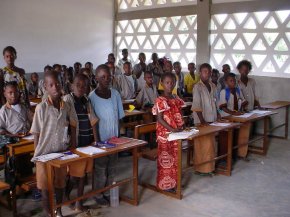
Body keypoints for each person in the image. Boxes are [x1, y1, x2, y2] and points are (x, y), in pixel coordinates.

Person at [30, 70, 77, 217]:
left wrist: (73, 145)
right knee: (45, 190)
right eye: (51, 85)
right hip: (44, 156)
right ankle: (49, 213)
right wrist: (37, 155)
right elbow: (36, 133)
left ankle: (58, 211)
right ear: (45, 87)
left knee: (60, 186)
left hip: (61, 153)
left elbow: (73, 124)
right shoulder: (41, 108)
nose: (55, 87)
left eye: (57, 84)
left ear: (62, 84)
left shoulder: (67, 106)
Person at [89, 64, 125, 207]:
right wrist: (97, 141)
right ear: (96, 78)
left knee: (112, 168)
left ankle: (108, 191)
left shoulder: (115, 94)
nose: (106, 79)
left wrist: (119, 136)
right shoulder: (92, 97)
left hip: (114, 138)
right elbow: (93, 122)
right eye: (103, 76)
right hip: (101, 140)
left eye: (109, 75)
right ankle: (98, 193)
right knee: (100, 169)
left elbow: (119, 116)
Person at [63, 74, 98, 211]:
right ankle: (66, 197)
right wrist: (72, 144)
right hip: (75, 143)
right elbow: (69, 122)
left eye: (84, 86)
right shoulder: (68, 100)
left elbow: (93, 120)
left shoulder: (86, 100)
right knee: (73, 175)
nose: (81, 88)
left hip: (87, 142)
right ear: (72, 85)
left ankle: (78, 203)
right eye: (78, 85)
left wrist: (96, 140)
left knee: (83, 174)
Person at [152, 72, 185, 192]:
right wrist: (172, 130)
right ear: (162, 83)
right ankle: (165, 185)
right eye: (167, 83)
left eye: (172, 82)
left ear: (175, 83)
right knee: (166, 160)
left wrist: (182, 124)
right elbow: (159, 119)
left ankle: (174, 182)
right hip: (165, 134)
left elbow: (179, 113)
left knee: (175, 159)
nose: (170, 85)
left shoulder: (176, 98)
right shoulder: (160, 100)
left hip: (176, 133)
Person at [0, 81, 34, 177]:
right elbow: (1, 130)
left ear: (19, 93)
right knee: (17, 166)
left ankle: (29, 184)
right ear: (5, 94)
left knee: (27, 162)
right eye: (10, 93)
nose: (13, 95)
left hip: (27, 140)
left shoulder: (23, 107)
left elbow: (33, 120)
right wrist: (14, 135)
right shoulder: (3, 111)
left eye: (16, 92)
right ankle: (18, 186)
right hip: (14, 143)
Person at [191, 63, 218, 175]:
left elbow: (215, 102)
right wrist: (202, 121)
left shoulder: (212, 86)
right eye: (205, 71)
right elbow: (197, 105)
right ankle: (200, 169)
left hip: (212, 118)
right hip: (202, 120)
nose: (208, 73)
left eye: (209, 71)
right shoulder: (197, 87)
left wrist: (219, 115)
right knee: (202, 145)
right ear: (200, 73)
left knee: (211, 145)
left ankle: (210, 167)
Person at [218, 72, 251, 160]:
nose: (233, 82)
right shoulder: (224, 92)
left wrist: (243, 109)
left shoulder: (237, 90)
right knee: (226, 137)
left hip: (235, 117)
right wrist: (234, 113)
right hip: (226, 118)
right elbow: (223, 108)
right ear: (226, 82)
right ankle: (225, 157)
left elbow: (243, 101)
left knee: (235, 135)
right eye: (231, 81)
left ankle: (233, 155)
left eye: (235, 81)